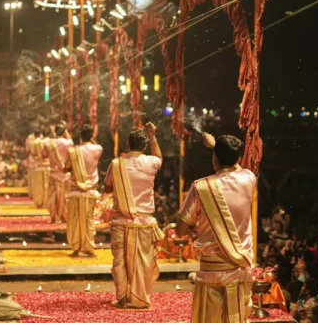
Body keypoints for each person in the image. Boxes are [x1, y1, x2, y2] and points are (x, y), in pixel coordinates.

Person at [176, 133, 256, 323]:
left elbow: (180, 230)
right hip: (240, 269)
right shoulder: (249, 179)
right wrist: (216, 148)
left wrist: (198, 228)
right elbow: (235, 166)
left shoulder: (200, 188)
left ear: (214, 159)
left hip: (212, 271)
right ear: (237, 158)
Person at [103, 123, 163, 310]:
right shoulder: (151, 162)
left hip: (121, 220)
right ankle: (140, 298)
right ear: (145, 146)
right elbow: (159, 157)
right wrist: (153, 136)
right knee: (143, 261)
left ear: (128, 144)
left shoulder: (116, 164)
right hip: (144, 222)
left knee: (119, 260)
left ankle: (122, 298)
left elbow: (106, 188)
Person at [65, 124, 102, 257]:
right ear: (91, 136)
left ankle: (76, 249)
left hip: (76, 191)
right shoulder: (98, 148)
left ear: (80, 136)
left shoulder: (73, 151)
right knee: (89, 220)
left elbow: (66, 168)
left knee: (75, 220)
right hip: (91, 190)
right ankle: (89, 249)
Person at [45, 124, 73, 224]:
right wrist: (66, 131)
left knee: (53, 195)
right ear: (64, 132)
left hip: (53, 172)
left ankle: (53, 217)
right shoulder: (69, 142)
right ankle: (64, 216)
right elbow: (71, 144)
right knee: (65, 195)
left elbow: (44, 155)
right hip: (65, 173)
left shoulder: (49, 143)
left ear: (55, 131)